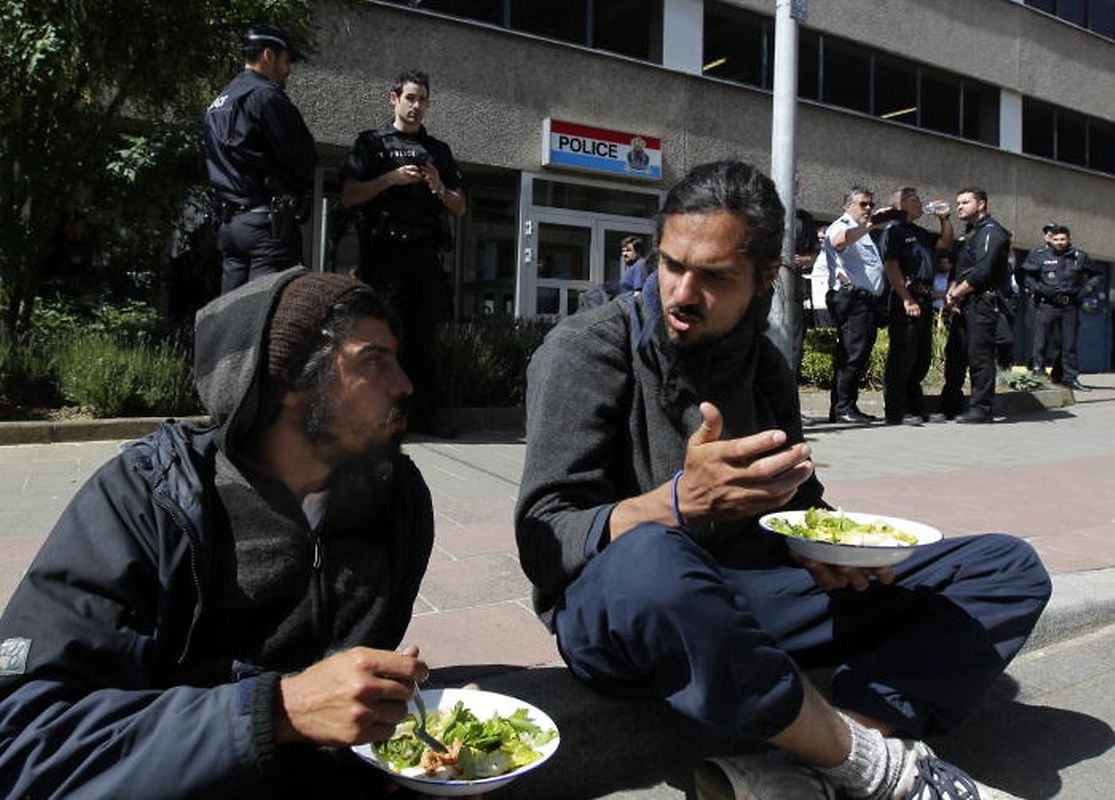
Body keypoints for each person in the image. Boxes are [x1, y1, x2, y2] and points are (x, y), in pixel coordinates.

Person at [515, 160, 1050, 800]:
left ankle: (823, 755)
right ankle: (879, 771)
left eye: (714, 277)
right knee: (653, 556)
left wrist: (830, 551)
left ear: (766, 278)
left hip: (746, 595)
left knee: (1003, 566)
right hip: (624, 608)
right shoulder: (588, 348)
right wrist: (678, 503)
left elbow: (800, 501)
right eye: (671, 264)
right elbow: (543, 537)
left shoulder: (763, 363)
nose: (682, 293)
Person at [0, 268, 441, 798]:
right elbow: (24, 737)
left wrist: (422, 740)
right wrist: (275, 710)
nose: (404, 384)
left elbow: (349, 707)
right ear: (292, 381)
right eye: (373, 360)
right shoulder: (152, 501)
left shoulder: (398, 499)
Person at [340, 70, 467, 438]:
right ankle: (374, 415)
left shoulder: (438, 151)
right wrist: (390, 180)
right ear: (393, 98)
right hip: (382, 254)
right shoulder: (372, 144)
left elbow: (460, 207)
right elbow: (348, 194)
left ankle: (423, 415)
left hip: (423, 255)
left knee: (421, 340)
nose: (417, 106)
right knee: (378, 338)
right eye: (410, 98)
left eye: (423, 99)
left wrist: (440, 188)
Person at [204, 24, 316, 294]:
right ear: (268, 55)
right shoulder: (266, 96)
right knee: (264, 317)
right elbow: (302, 157)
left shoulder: (220, 102)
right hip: (265, 227)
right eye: (286, 61)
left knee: (230, 319)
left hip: (231, 227)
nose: (288, 71)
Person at [877, 188, 954, 425]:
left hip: (924, 298)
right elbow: (892, 267)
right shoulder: (893, 230)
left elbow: (945, 243)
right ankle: (897, 410)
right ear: (902, 204)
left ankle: (914, 405)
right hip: (906, 298)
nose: (922, 203)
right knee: (903, 355)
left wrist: (945, 219)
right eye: (916, 200)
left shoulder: (918, 232)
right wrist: (906, 298)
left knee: (921, 356)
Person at [939, 188, 1014, 423]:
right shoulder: (968, 235)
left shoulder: (994, 232)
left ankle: (981, 408)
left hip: (982, 302)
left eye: (965, 202)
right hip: (964, 302)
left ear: (981, 204)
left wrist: (956, 294)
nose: (959, 206)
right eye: (958, 202)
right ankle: (950, 405)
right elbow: (957, 269)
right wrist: (952, 291)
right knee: (955, 355)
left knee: (979, 356)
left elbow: (983, 271)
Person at [823, 187, 889, 424]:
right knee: (852, 354)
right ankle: (842, 409)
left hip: (865, 301)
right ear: (847, 206)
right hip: (852, 299)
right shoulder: (842, 224)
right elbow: (839, 241)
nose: (869, 208)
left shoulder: (864, 231)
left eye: (871, 204)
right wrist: (869, 225)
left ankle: (846, 406)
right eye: (863, 204)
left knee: (857, 355)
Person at [1020, 224, 1102, 391]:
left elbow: (1097, 275)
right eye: (1056, 239)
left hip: (1069, 306)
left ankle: (1070, 378)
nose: (1059, 242)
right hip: (1046, 304)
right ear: (1051, 239)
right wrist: (1039, 289)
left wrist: (1085, 291)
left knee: (1069, 345)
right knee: (1041, 342)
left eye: (1062, 239)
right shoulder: (1039, 255)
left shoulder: (1079, 256)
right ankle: (1038, 375)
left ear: (1069, 239)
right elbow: (1027, 277)